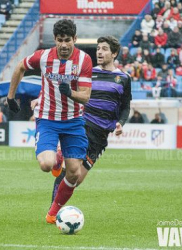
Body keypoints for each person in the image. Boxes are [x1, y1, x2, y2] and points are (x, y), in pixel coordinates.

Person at [6, 19, 92, 224]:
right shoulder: (43, 57)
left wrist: (70, 92)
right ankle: (57, 157)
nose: (63, 45)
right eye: (60, 40)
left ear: (75, 39)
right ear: (55, 39)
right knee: (46, 164)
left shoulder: (84, 60)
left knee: (74, 174)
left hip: (73, 121)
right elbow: (20, 67)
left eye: (68, 40)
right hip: (47, 119)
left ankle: (53, 213)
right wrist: (11, 97)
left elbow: (86, 96)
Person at [48, 36, 132, 219]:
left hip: (101, 136)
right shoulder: (88, 72)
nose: (99, 52)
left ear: (114, 53)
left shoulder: (124, 79)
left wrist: (121, 122)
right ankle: (53, 213)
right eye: (98, 48)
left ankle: (59, 160)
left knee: (76, 179)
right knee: (71, 172)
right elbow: (64, 90)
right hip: (83, 125)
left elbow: (125, 106)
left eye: (104, 49)